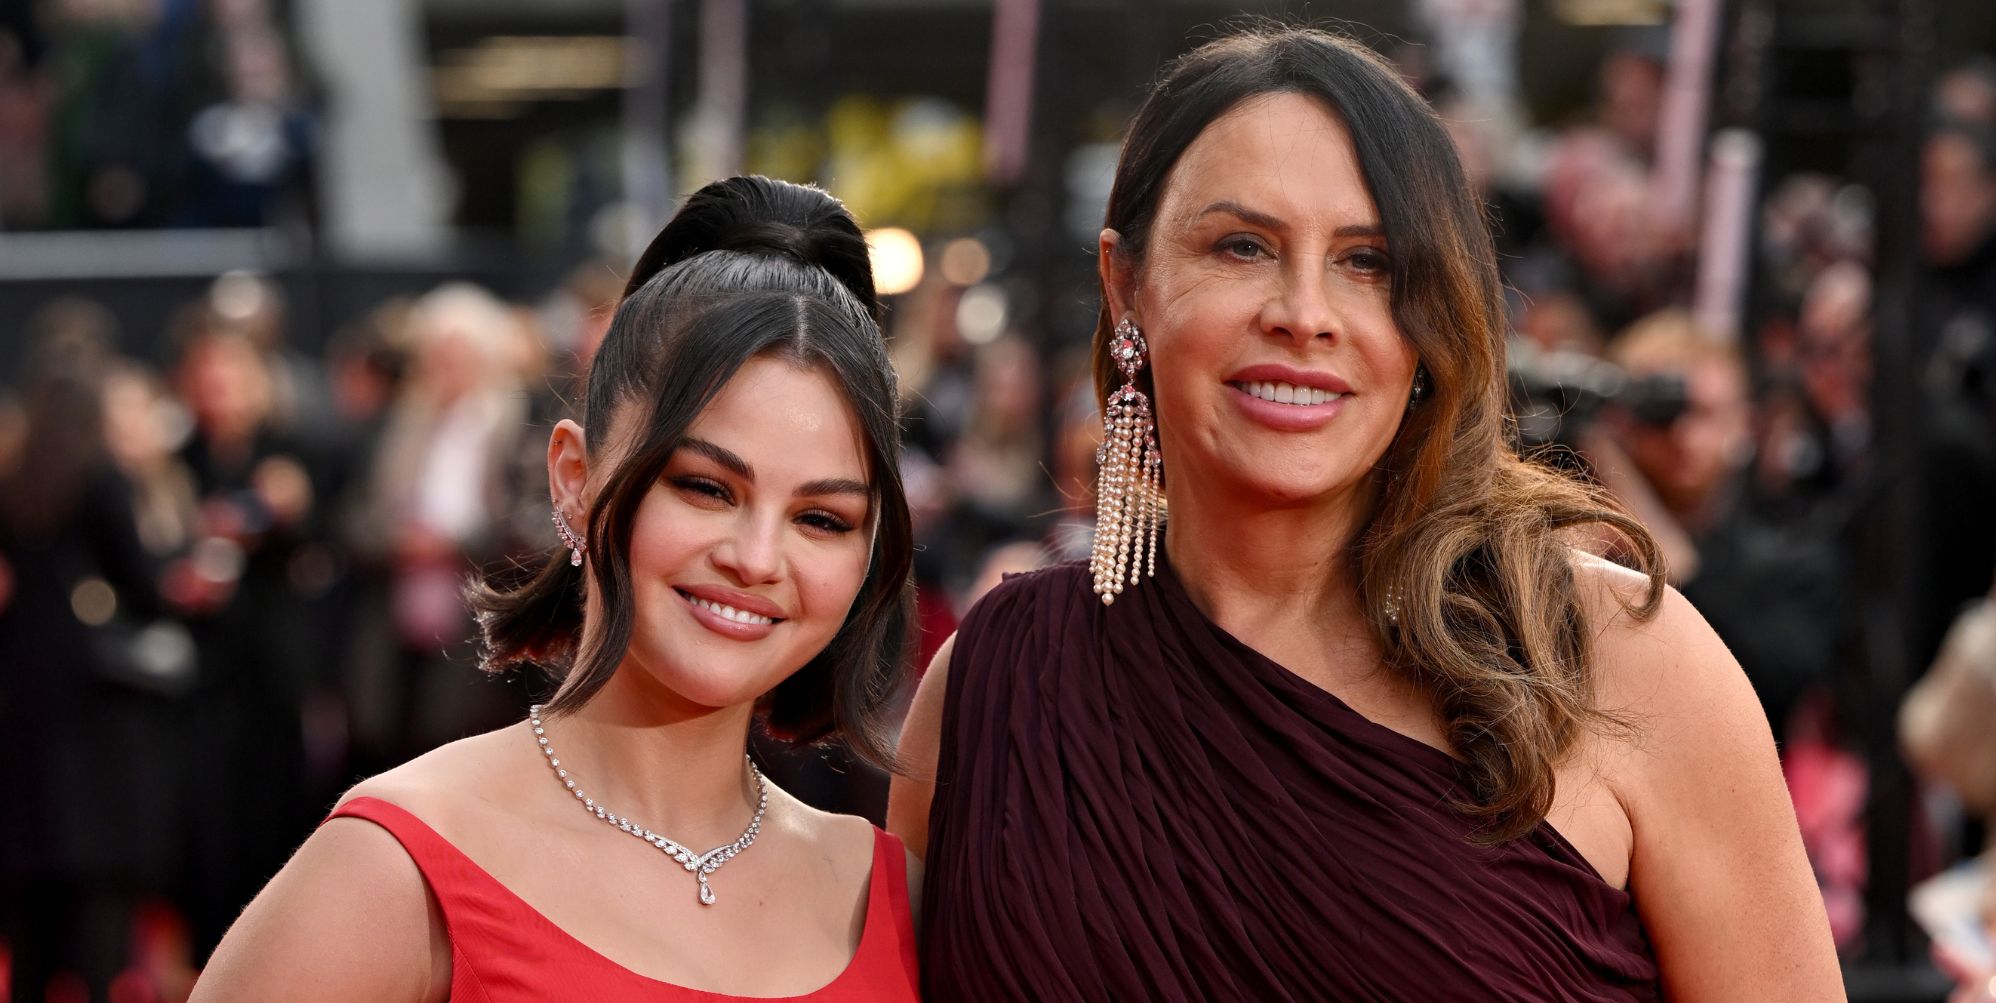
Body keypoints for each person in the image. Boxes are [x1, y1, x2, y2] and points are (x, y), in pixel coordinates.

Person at [889, 27, 1843, 1001]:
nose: (1305, 311)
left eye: (1369, 262)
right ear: (1125, 284)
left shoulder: (1617, 660)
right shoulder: (989, 685)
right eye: (1242, 246)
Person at [192, 176, 922, 1001]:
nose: (758, 558)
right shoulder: (396, 868)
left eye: (821, 518)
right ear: (575, 478)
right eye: (706, 487)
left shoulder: (896, 895)